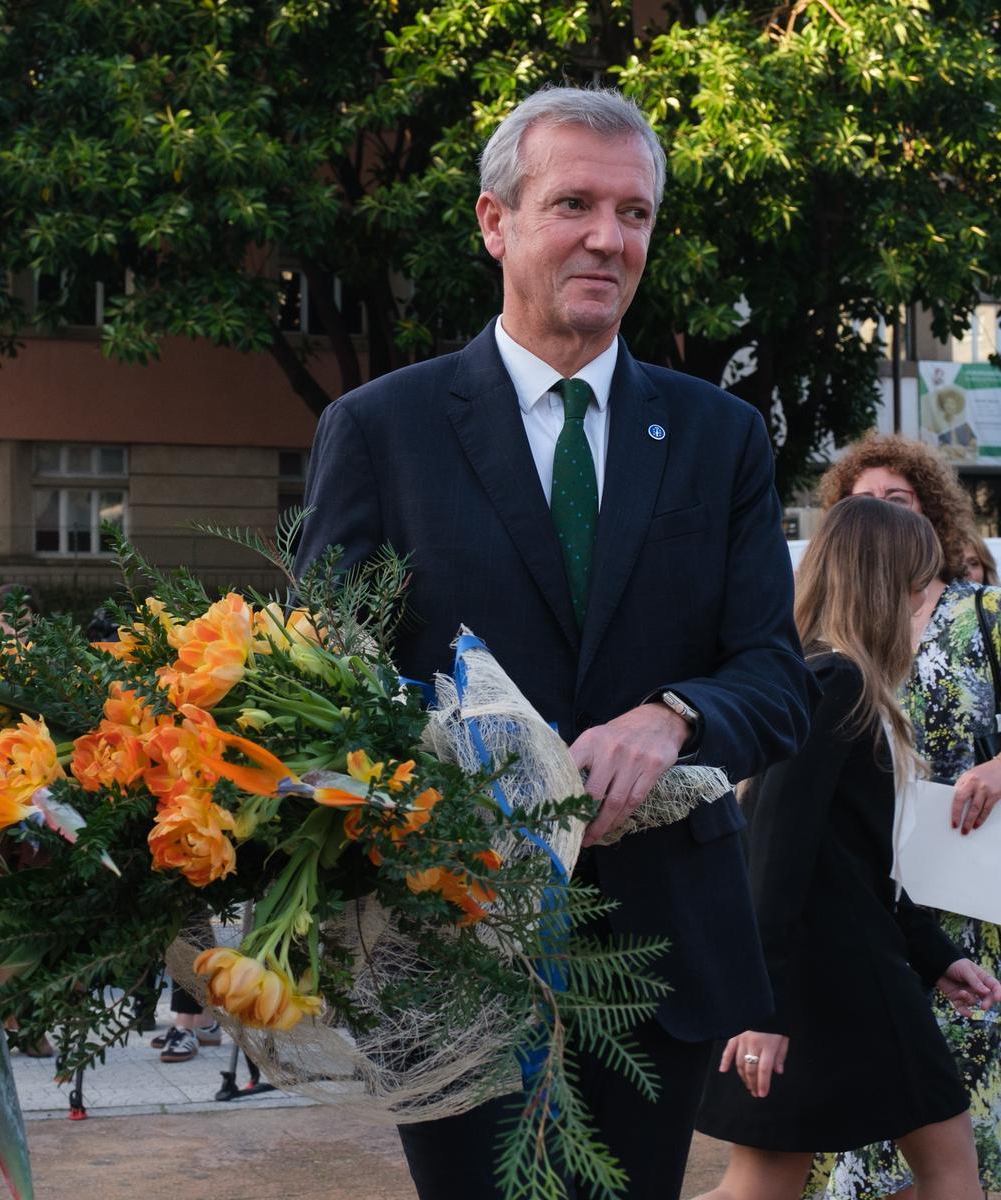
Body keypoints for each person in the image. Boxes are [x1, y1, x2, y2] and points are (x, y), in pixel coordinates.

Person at [295, 85, 815, 1199]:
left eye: (633, 215)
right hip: (453, 943)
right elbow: (326, 686)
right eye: (573, 203)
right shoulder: (382, 430)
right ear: (495, 222)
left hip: (659, 954)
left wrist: (674, 714)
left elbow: (775, 677)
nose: (607, 237)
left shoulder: (719, 436)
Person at [694, 497, 1001, 1199]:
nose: (931, 600)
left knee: (763, 1183)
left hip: (824, 976)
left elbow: (856, 862)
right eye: (924, 581)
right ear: (889, 584)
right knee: (947, 1164)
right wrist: (762, 1012)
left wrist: (938, 954)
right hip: (835, 981)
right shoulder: (836, 683)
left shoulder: (828, 681)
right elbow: (777, 846)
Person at [808, 438, 1001, 1197]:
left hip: (972, 901)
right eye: (865, 505)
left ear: (928, 515)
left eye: (899, 501)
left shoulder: (981, 613)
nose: (883, 516)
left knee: (961, 1127)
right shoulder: (825, 638)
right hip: (865, 909)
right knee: (869, 1137)